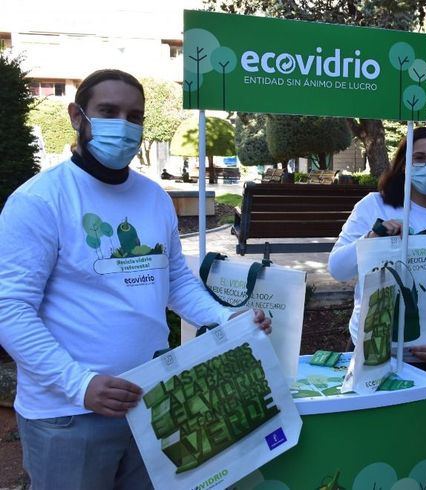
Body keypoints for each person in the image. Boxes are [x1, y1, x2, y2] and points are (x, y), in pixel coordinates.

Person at [0, 69, 271, 490]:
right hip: (69, 415)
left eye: (134, 116)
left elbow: (175, 280)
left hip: (151, 401)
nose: (124, 125)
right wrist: (80, 384)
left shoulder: (154, 198)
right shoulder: (39, 201)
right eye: (108, 111)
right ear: (77, 116)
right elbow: (9, 309)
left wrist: (224, 317)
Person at [328, 126, 426, 363]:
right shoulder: (374, 206)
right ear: (402, 164)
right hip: (372, 351)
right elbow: (338, 269)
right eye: (419, 158)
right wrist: (372, 238)